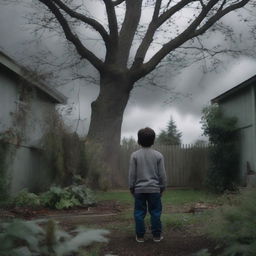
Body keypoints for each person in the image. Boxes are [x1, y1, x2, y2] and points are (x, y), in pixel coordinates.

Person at [128, 127, 167, 243]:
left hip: (139, 190)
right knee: (155, 212)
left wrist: (131, 187)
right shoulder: (158, 155)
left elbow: (132, 174)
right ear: (153, 140)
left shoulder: (134, 155)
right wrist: (163, 187)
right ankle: (156, 236)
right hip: (155, 190)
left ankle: (140, 236)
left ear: (138, 141)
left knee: (139, 213)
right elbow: (162, 175)